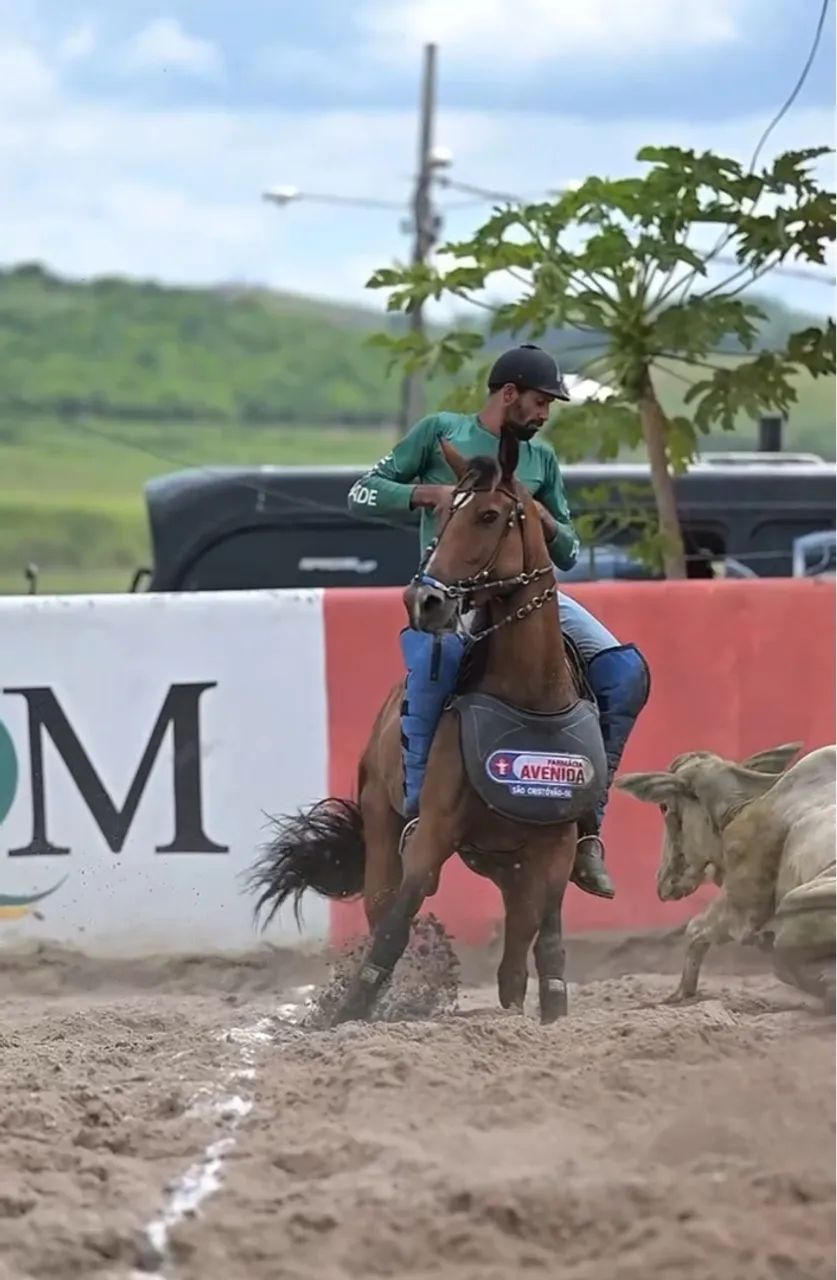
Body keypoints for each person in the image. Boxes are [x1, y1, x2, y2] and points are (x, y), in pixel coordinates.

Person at [347, 343, 650, 898]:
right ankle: (417, 807)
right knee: (436, 660)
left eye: (549, 405)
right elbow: (360, 493)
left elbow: (572, 552)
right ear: (507, 394)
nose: (544, 414)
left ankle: (587, 827)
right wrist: (430, 494)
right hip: (452, 593)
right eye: (539, 402)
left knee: (625, 672)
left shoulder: (543, 462)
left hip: (530, 598)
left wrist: (543, 521)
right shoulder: (441, 431)